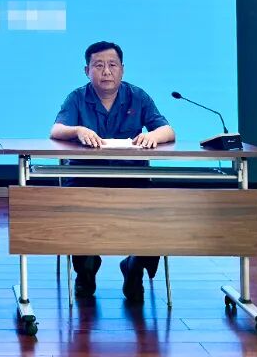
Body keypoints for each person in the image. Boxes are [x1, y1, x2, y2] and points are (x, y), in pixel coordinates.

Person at [50, 40, 175, 303]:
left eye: (112, 65)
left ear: (122, 69)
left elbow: (167, 130)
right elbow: (56, 130)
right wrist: (77, 130)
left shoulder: (137, 96)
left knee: (155, 209)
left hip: (132, 179)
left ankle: (135, 267)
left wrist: (153, 136)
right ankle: (85, 269)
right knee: (73, 207)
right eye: (98, 65)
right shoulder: (77, 97)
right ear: (87, 71)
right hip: (85, 179)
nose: (106, 71)